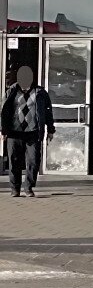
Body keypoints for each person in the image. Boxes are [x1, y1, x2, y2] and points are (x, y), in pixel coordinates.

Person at [1, 66, 55, 197]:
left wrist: (50, 129)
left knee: (33, 160)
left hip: (33, 132)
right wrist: (3, 130)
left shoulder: (40, 93)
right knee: (14, 161)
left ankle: (29, 187)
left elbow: (48, 112)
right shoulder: (11, 91)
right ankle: (15, 189)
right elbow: (3, 111)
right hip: (14, 132)